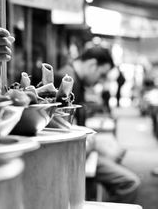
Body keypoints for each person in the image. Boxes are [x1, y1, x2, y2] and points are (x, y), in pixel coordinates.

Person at [55, 45, 140, 203]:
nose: (100, 81)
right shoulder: (67, 80)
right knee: (129, 181)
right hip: (70, 154)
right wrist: (93, 144)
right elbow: (59, 129)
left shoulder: (73, 79)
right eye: (101, 75)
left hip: (78, 149)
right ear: (92, 65)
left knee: (117, 152)